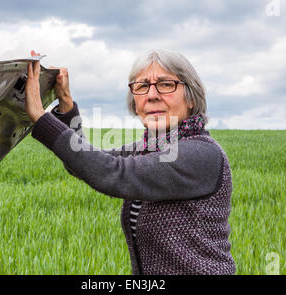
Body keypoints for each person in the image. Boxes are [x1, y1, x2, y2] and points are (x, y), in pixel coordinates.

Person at [24, 49, 236, 275]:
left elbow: (113, 173)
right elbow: (87, 162)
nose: (152, 95)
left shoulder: (201, 154)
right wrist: (65, 104)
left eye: (165, 85)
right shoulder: (149, 149)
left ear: (191, 98)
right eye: (142, 86)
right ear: (135, 102)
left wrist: (41, 117)